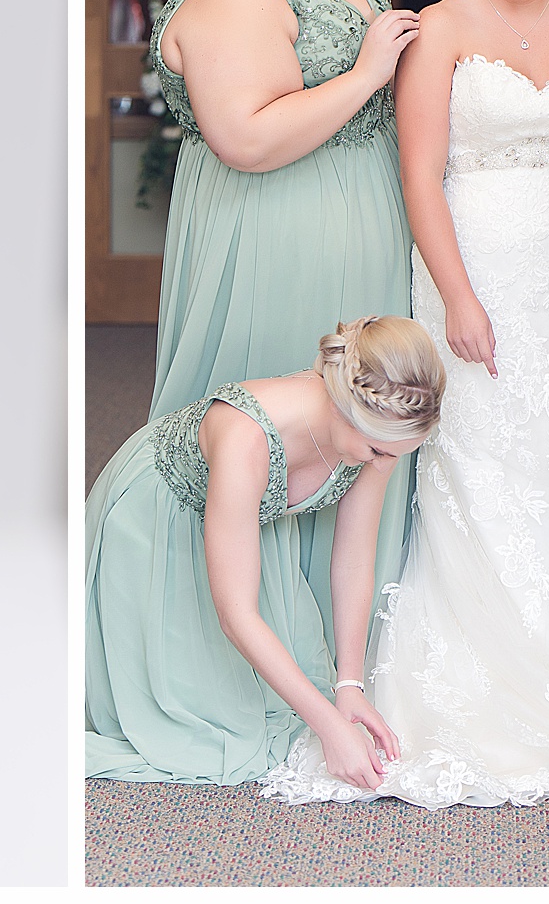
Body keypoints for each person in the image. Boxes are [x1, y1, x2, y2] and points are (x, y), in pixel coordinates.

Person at [262, 0, 549, 808]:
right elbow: (420, 175)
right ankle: (469, 672)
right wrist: (458, 297)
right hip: (467, 262)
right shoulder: (438, 28)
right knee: (474, 458)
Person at [148, 0, 421, 639]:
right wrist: (369, 74)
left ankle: (357, 645)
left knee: (368, 412)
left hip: (355, 202)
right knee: (301, 418)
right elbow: (249, 138)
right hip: (281, 225)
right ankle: (275, 644)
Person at [86, 315, 445, 786]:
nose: (385, 465)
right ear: (341, 408)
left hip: (241, 532)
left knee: (286, 703)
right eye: (379, 451)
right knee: (195, 726)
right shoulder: (246, 439)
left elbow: (354, 558)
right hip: (156, 524)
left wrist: (349, 686)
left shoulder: (379, 434)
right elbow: (235, 612)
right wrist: (330, 726)